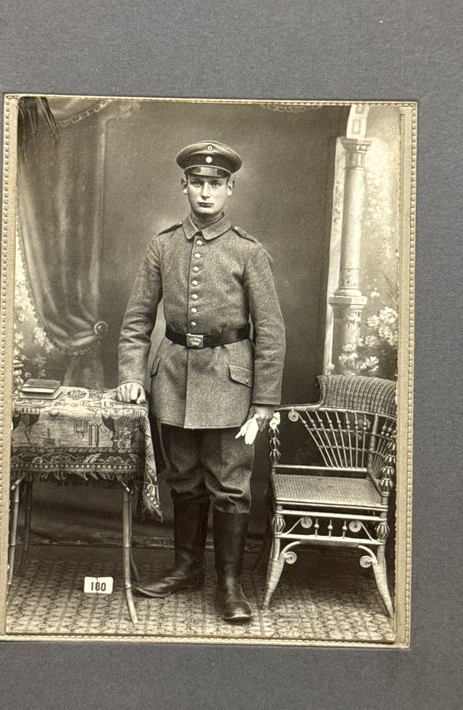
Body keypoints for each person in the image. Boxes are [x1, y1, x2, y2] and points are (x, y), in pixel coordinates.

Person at [116, 140, 285, 623]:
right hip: (171, 379)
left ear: (230, 189)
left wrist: (264, 401)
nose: (205, 193)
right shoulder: (162, 245)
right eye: (197, 183)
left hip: (231, 384)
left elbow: (270, 331)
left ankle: (230, 585)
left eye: (215, 184)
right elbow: (135, 322)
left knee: (230, 485)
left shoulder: (249, 252)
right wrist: (132, 375)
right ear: (184, 185)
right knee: (185, 479)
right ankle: (186, 569)